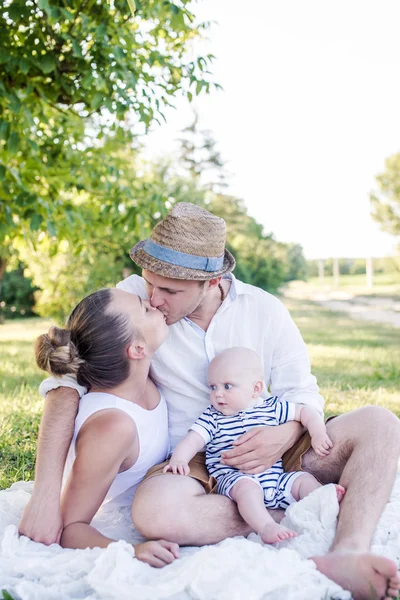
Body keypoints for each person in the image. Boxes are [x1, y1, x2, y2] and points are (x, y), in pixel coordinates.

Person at [20, 203, 400, 599]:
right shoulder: (135, 303)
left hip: (275, 438)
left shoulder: (264, 310)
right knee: (155, 514)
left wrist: (285, 434)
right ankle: (300, 506)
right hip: (193, 462)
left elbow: (302, 391)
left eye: (169, 290)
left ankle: (348, 551)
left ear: (214, 280)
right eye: (151, 283)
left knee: (381, 423)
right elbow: (66, 379)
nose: (155, 298)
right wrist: (47, 493)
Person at [33, 286, 179, 568]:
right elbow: (70, 526)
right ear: (137, 349)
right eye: (145, 309)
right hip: (111, 527)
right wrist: (131, 552)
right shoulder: (112, 426)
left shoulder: (139, 378)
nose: (153, 304)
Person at [163, 347, 346, 544]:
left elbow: (305, 413)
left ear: (256, 389)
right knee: (247, 490)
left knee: (302, 479)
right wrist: (179, 459)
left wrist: (317, 433)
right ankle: (266, 526)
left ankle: (322, 500)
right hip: (235, 479)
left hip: (275, 479)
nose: (218, 394)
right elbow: (193, 439)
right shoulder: (212, 417)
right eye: (213, 387)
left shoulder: (271, 408)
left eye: (227, 386)